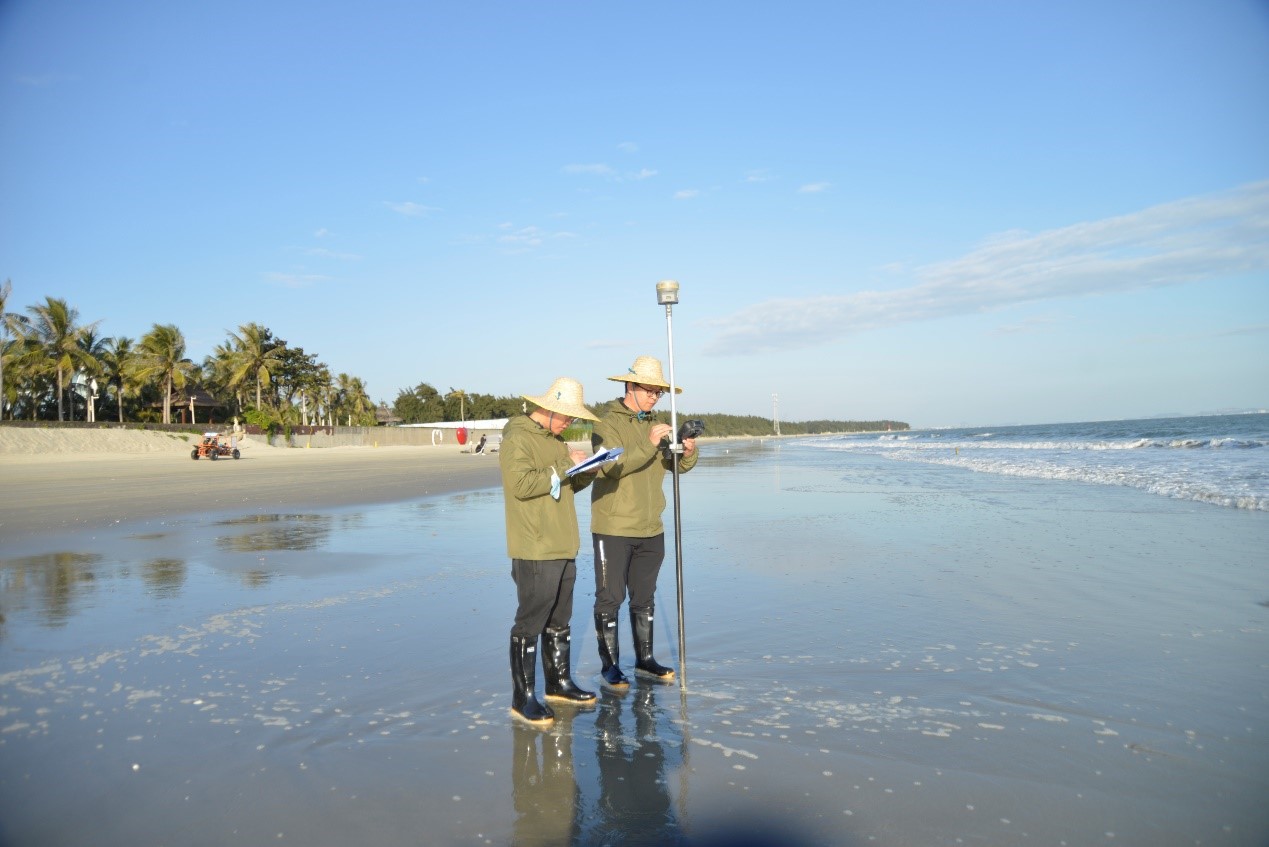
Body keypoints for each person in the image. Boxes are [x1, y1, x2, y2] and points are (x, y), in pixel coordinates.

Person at [590, 356, 698, 686]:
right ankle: (610, 665)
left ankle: (645, 660)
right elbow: (611, 466)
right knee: (610, 598)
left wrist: (687, 451)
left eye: (658, 392)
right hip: (614, 526)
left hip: (652, 526)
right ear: (630, 387)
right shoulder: (606, 424)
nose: (653, 397)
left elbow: (674, 466)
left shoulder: (657, 422)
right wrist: (648, 442)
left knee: (644, 597)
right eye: (649, 390)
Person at [501, 377, 602, 726]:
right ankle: (522, 696)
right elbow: (521, 485)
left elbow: (567, 483)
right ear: (548, 408)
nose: (569, 422)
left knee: (560, 619)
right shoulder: (517, 438)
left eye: (573, 418)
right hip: (534, 545)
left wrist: (588, 469)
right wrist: (563, 465)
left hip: (562, 542)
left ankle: (558, 684)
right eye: (567, 416)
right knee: (531, 620)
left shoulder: (557, 442)